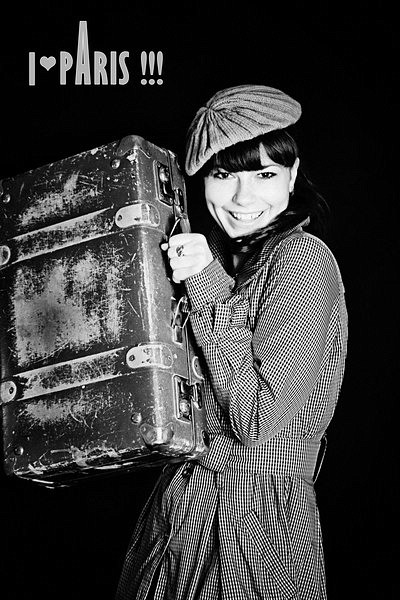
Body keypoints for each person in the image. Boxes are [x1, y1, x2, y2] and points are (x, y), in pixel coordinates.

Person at [115, 84, 348, 600]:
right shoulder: (223, 260)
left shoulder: (302, 260)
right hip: (180, 512)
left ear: (292, 175)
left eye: (264, 175)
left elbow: (257, 419)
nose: (244, 199)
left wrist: (205, 284)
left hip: (256, 525)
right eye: (223, 175)